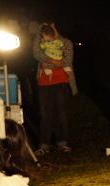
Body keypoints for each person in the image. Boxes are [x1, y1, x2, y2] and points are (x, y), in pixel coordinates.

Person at [32, 22, 77, 156]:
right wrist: (54, 61)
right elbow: (36, 54)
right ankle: (44, 144)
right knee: (45, 113)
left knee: (61, 112)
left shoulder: (66, 42)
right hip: (44, 82)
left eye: (50, 26)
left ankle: (62, 142)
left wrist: (51, 61)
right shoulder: (41, 41)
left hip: (61, 81)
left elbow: (67, 61)